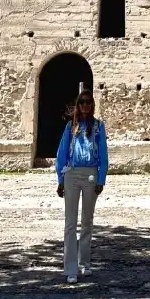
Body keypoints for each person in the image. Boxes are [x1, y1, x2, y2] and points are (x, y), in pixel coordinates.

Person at [55, 89, 108, 283]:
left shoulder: (98, 126)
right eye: (82, 102)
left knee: (87, 221)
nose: (85, 105)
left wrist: (101, 179)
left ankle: (84, 263)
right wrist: (60, 180)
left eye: (89, 102)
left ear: (92, 105)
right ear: (77, 105)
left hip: (91, 175)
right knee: (70, 223)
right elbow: (61, 154)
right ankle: (70, 269)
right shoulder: (71, 126)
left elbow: (103, 154)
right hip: (71, 174)